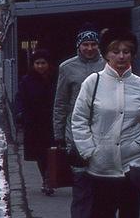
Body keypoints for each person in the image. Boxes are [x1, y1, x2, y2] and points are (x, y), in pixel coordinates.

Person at [71, 28, 140, 218]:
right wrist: (90, 151)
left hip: (132, 167)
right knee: (101, 213)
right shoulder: (93, 82)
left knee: (130, 213)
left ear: (132, 55)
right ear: (106, 54)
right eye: (115, 51)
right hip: (101, 167)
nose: (121, 56)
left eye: (126, 51)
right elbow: (79, 120)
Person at [54, 26, 106, 218]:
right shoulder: (67, 68)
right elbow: (60, 103)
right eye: (86, 44)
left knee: (102, 186)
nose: (90, 48)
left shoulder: (107, 65)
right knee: (81, 184)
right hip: (75, 134)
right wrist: (58, 135)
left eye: (93, 44)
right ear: (79, 46)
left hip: (103, 133)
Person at [17, 49, 57, 196]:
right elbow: (20, 98)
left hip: (52, 122)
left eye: (43, 63)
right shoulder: (27, 80)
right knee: (41, 154)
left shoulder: (55, 79)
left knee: (52, 152)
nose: (40, 66)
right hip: (34, 123)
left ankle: (51, 178)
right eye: (37, 63)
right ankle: (46, 179)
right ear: (33, 64)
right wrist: (21, 114)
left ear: (48, 64)